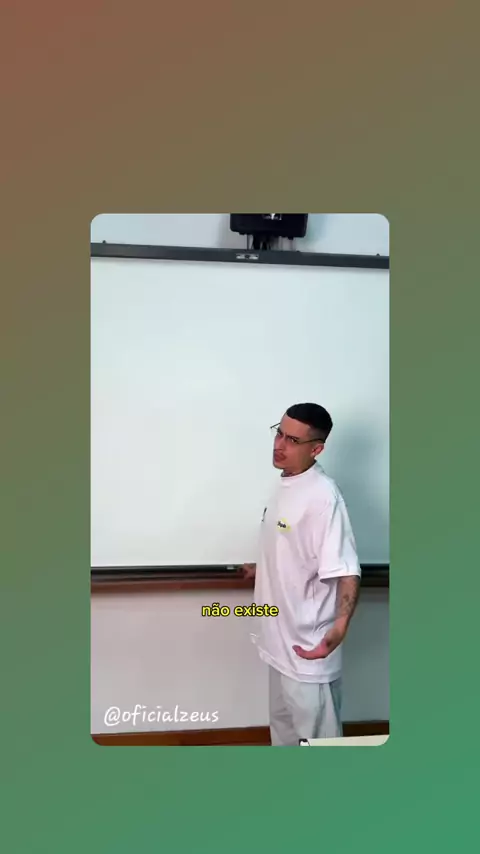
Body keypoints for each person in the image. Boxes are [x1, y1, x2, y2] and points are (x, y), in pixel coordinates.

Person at [242, 402, 361, 746]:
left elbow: (346, 571)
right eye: (279, 433)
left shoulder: (323, 496)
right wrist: (263, 567)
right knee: (283, 736)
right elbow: (293, 548)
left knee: (320, 746)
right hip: (277, 643)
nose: (279, 445)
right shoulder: (285, 484)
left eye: (293, 440)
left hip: (308, 650)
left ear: (316, 449)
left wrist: (339, 628)